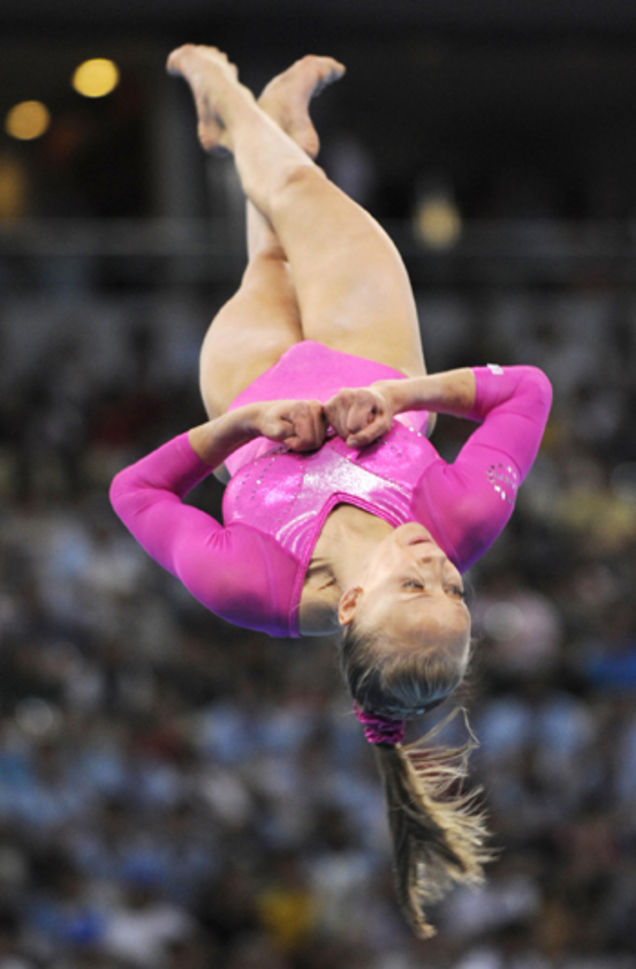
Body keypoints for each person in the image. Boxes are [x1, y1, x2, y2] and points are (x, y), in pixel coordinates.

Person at [110, 46, 552, 937]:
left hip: (248, 383)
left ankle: (260, 123)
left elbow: (137, 492)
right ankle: (232, 101)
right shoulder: (460, 517)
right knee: (301, 198)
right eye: (456, 588)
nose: (440, 566)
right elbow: (527, 390)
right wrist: (401, 395)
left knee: (271, 255)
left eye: (413, 585)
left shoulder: (256, 587)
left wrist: (240, 429)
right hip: (373, 348)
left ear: (350, 603)